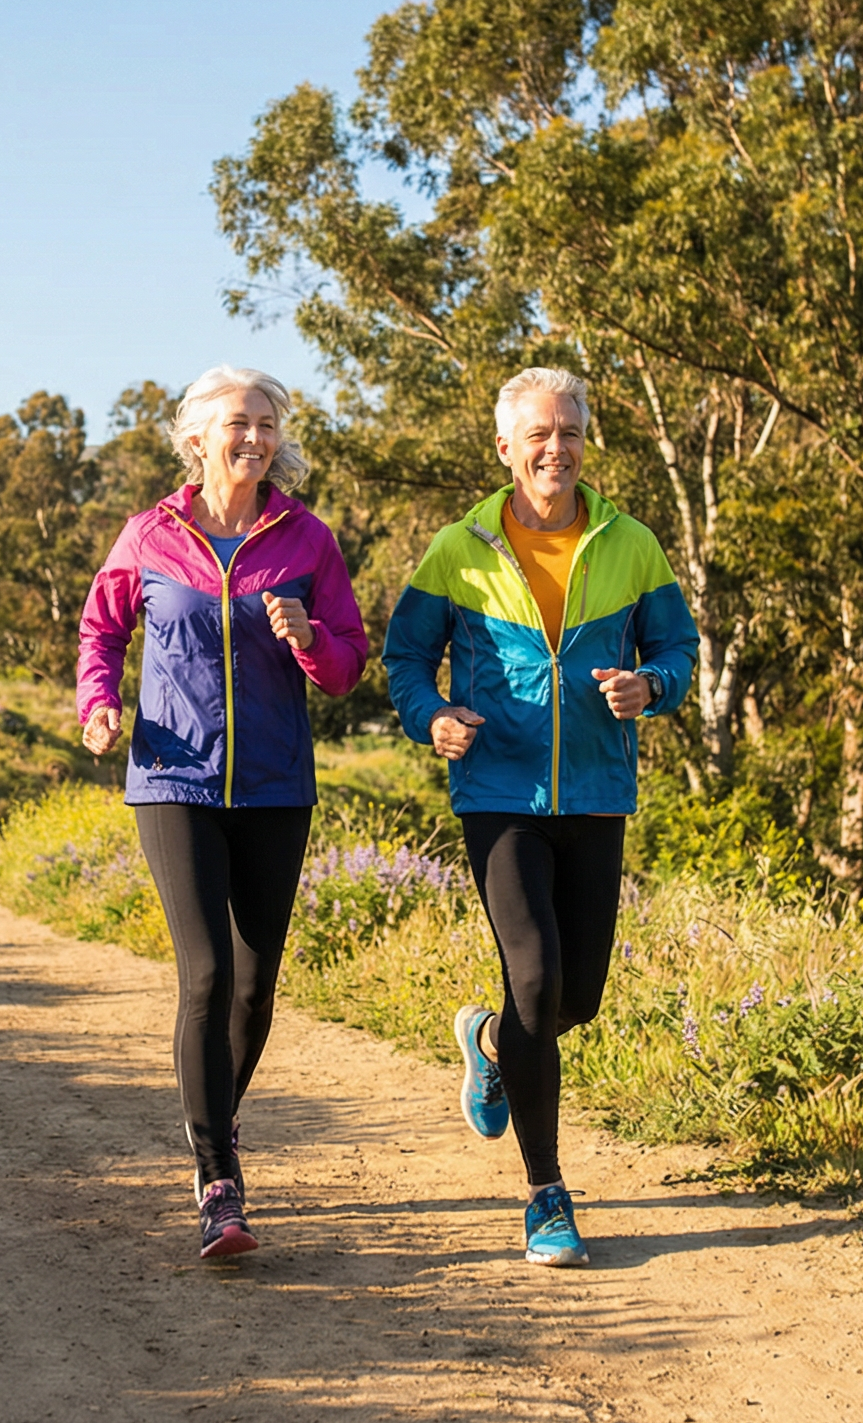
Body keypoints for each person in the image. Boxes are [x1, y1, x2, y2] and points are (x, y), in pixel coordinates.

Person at [382, 366, 698, 1267]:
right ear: (505, 448)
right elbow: (406, 659)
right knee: (536, 977)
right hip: (500, 795)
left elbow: (677, 644)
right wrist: (431, 716)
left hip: (598, 790)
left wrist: (655, 684)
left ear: (582, 443)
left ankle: (486, 1041)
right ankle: (546, 1193)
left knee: (579, 996)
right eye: (538, 435)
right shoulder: (459, 548)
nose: (554, 449)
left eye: (568, 433)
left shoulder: (631, 542)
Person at [77, 364, 369, 1259]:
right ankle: (218, 1182)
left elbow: (351, 661)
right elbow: (103, 628)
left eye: (267, 424)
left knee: (253, 987)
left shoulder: (307, 540)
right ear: (196, 437)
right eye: (237, 422)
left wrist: (312, 637)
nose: (254, 437)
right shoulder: (149, 536)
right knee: (204, 976)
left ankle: (217, 1120)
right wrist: (99, 702)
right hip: (175, 779)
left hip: (277, 785)